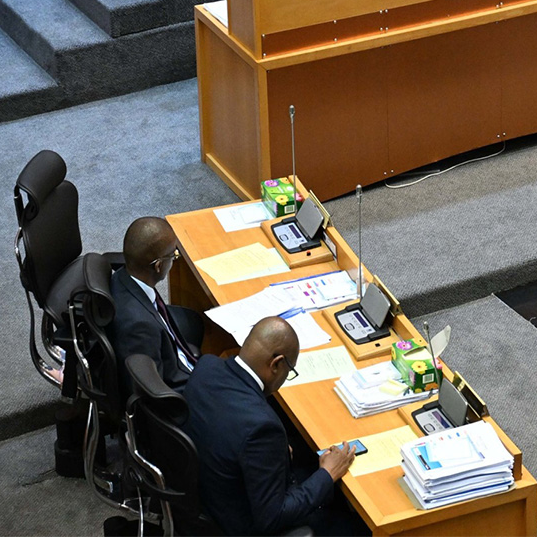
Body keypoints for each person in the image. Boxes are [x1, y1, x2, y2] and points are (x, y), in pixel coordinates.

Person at [182, 316, 359, 536]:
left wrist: (274, 454)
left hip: (203, 493)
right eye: (290, 370)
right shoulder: (262, 429)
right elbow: (272, 517)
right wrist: (328, 473)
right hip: (235, 523)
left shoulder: (207, 366)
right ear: (276, 364)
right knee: (354, 524)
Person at [109, 217, 204, 390]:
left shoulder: (124, 276)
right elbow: (155, 389)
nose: (175, 259)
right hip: (184, 386)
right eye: (173, 255)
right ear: (158, 266)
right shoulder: (140, 327)